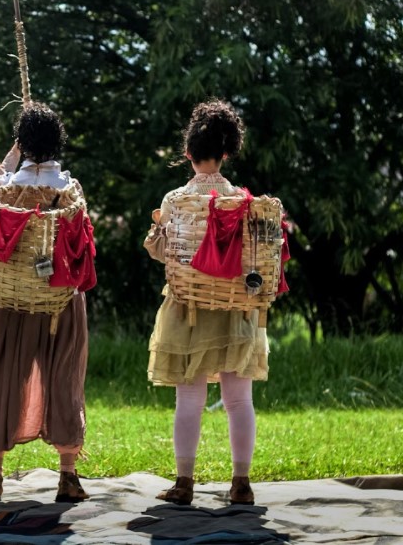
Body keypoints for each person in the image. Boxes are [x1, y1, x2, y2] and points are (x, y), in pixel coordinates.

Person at [0, 102, 94, 503]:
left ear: (21, 143)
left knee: (0, 378)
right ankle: (68, 475)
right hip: (60, 303)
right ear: (58, 144)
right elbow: (83, 250)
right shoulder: (70, 190)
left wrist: (10, 161)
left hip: (9, 302)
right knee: (64, 378)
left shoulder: (3, 190)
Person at [143, 99, 266, 506]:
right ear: (227, 152)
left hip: (189, 311)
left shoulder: (176, 200)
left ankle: (184, 482)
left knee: (190, 399)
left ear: (188, 153)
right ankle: (241, 483)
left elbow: (165, 253)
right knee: (238, 399)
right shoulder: (243, 203)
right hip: (235, 311)